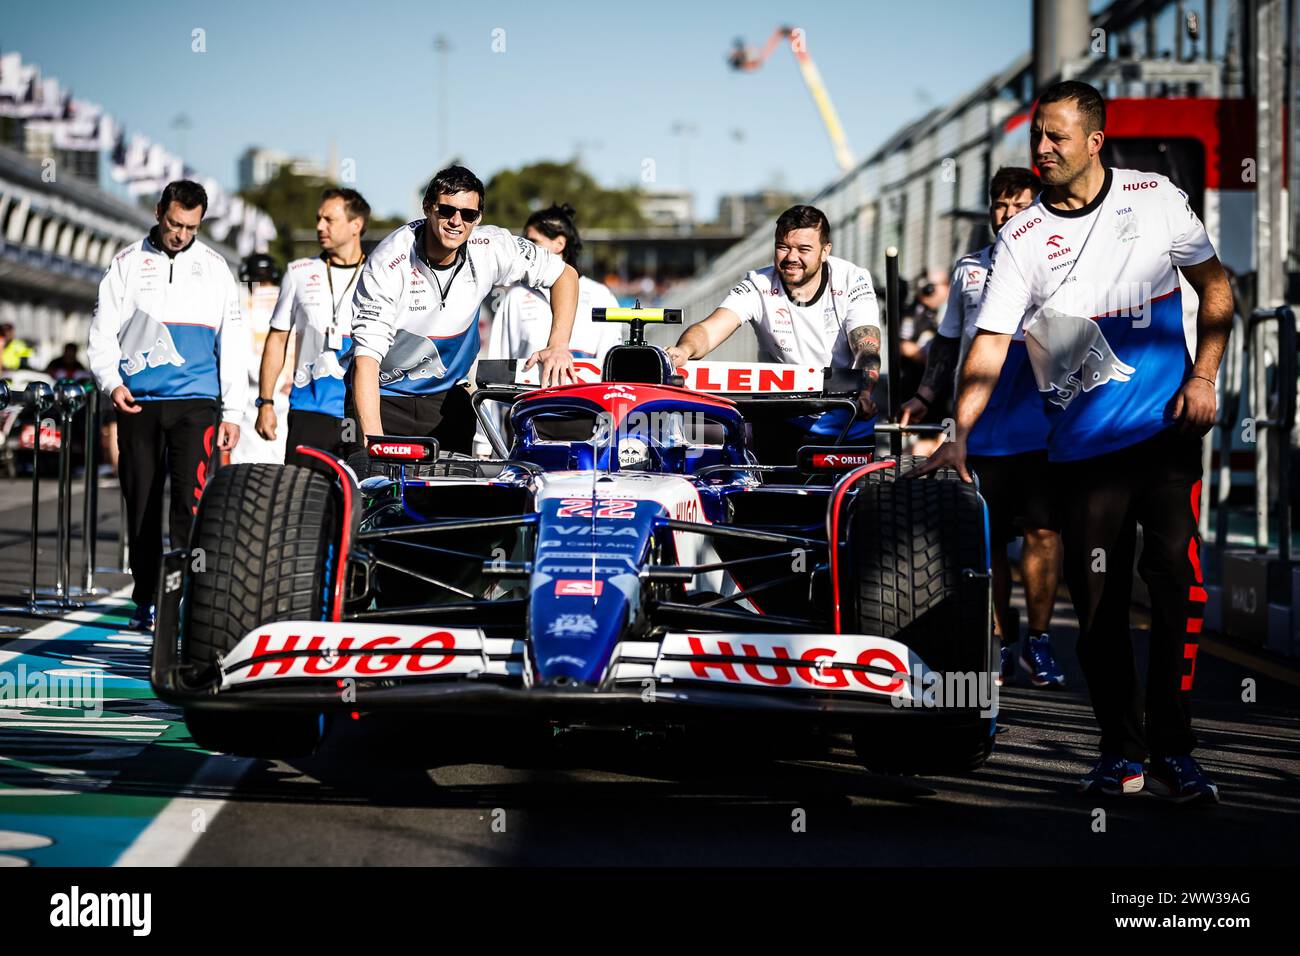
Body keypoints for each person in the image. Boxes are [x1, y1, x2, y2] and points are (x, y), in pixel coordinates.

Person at [913, 81, 1234, 803]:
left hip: (1164, 432)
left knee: (1177, 587)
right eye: (1037, 137)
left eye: (1056, 137)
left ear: (1094, 140)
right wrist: (958, 432)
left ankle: (1177, 752)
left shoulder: (1155, 197)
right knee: (1097, 610)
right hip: (1080, 454)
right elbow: (988, 346)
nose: (1043, 150)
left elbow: (1217, 288)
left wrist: (1205, 377)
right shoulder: (1020, 240)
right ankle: (1120, 750)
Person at [901, 167, 1064, 689]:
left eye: (1019, 205)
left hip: (1041, 424)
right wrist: (928, 393)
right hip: (978, 427)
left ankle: (1039, 641)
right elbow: (948, 342)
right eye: (1000, 205)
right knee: (986, 539)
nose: (1008, 215)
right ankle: (998, 643)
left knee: (1042, 532)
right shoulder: (970, 269)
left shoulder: (1062, 262)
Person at [87, 180, 246, 631]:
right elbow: (101, 334)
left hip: (196, 404)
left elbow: (232, 343)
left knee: (191, 505)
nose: (180, 233)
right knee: (141, 503)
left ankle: (186, 598)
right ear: (159, 211)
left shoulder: (215, 268)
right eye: (175, 223)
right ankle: (146, 597)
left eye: (191, 227)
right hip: (138, 403)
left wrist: (234, 411)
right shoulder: (125, 263)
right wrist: (111, 383)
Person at [347, 165, 578, 459]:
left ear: (478, 218)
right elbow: (365, 362)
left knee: (450, 501)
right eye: (446, 210)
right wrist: (376, 448)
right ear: (428, 208)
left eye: (468, 214)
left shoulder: (491, 246)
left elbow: (564, 275)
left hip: (447, 398)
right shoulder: (389, 262)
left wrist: (558, 345)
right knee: (377, 493)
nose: (456, 221)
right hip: (385, 395)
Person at [664, 204, 882, 453]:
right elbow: (710, 329)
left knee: (846, 492)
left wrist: (865, 390)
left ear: (825, 251)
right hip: (782, 417)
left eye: (804, 249)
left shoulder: (852, 278)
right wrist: (684, 350)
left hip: (845, 417)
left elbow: (867, 346)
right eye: (783, 247)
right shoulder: (758, 284)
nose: (791, 257)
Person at [475, 203, 622, 455]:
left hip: (588, 427)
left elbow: (613, 372)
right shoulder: (515, 298)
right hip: (526, 428)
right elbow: (494, 373)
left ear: (559, 244)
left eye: (532, 241)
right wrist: (483, 441)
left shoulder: (601, 295)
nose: (524, 248)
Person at [256, 188, 370, 462]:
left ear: (356, 225)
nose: (320, 226)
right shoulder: (298, 272)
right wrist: (266, 402)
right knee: (301, 500)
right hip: (309, 409)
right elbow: (277, 339)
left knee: (358, 500)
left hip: (357, 413)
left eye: (329, 219)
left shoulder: (379, 275)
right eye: (318, 218)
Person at [231, 253, 284, 464]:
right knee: (282, 465)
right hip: (286, 392)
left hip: (250, 394)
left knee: (247, 469)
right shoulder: (289, 301)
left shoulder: (242, 305)